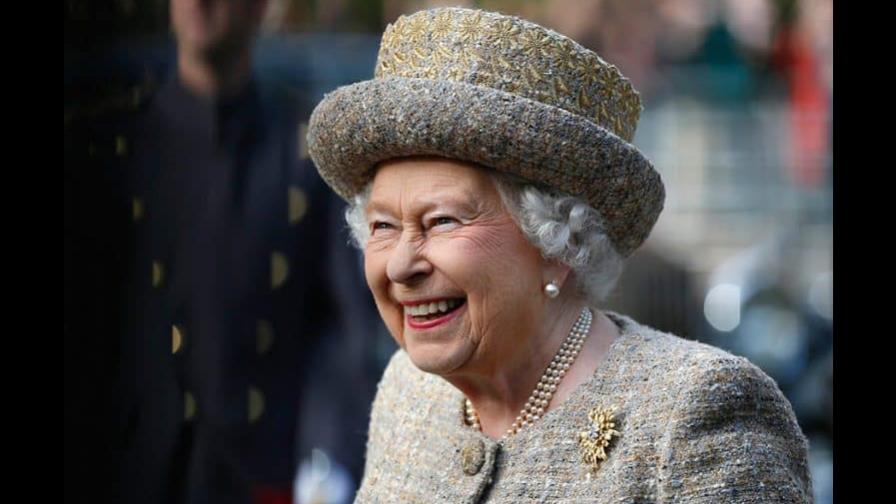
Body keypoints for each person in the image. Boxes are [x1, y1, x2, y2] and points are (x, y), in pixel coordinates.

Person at [306, 7, 813, 502]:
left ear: (557, 242)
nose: (399, 265)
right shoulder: (408, 393)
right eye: (383, 226)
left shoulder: (695, 416)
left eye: (441, 221)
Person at [114, 0, 381, 502]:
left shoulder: (303, 154)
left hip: (267, 473)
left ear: (259, 8)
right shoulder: (117, 149)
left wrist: (326, 461)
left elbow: (345, 332)